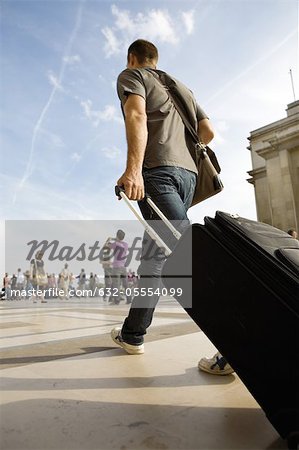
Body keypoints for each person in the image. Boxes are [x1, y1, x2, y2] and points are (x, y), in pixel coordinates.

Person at [110, 39, 219, 362]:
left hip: (157, 172)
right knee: (156, 258)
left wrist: (133, 171)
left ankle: (238, 346)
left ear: (133, 58)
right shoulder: (183, 87)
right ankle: (133, 334)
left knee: (185, 254)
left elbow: (137, 115)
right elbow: (208, 132)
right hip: (188, 177)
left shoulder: (132, 76)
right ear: (155, 59)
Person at [106, 230, 129, 305]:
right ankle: (129, 299)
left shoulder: (115, 244)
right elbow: (119, 241)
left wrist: (109, 239)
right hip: (123, 267)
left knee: (116, 284)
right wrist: (116, 238)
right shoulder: (125, 244)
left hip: (116, 267)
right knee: (125, 284)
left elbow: (106, 245)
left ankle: (116, 300)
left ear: (116, 235)